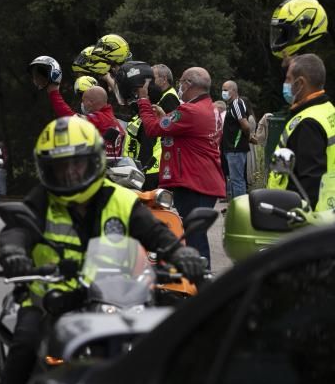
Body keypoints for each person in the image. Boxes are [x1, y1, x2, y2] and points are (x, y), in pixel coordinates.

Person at [0, 116, 202, 384]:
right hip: (50, 300)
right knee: (24, 348)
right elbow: (17, 230)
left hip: (112, 299)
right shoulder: (42, 200)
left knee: (165, 350)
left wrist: (180, 254)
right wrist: (14, 253)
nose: (70, 174)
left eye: (77, 165)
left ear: (94, 161)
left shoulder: (120, 198)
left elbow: (154, 232)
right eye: (61, 167)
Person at [136, 66, 225, 268]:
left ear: (189, 84)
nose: (179, 86)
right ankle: (200, 281)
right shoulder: (210, 108)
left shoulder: (190, 111)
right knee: (195, 235)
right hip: (204, 181)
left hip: (194, 183)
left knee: (194, 238)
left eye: (181, 82)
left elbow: (152, 129)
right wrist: (164, 116)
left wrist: (143, 99)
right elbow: (185, 133)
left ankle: (201, 284)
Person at [267, 54, 335, 211]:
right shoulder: (327, 110)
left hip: (300, 219)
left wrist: (294, 220)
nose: (285, 84)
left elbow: (307, 185)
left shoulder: (308, 123)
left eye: (288, 79)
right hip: (326, 213)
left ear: (301, 83)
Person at [32, 55, 125, 158]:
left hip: (102, 170)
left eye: (83, 100)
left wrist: (54, 92)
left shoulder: (100, 118)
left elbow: (69, 118)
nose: (82, 104)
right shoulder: (114, 121)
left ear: (90, 102)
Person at [221, 80, 257, 199]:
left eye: (226, 90)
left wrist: (247, 137)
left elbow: (245, 125)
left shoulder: (237, 103)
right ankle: (234, 206)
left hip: (235, 149)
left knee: (237, 180)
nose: (223, 92)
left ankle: (240, 208)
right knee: (234, 179)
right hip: (231, 149)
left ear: (234, 91)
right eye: (223, 90)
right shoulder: (231, 105)